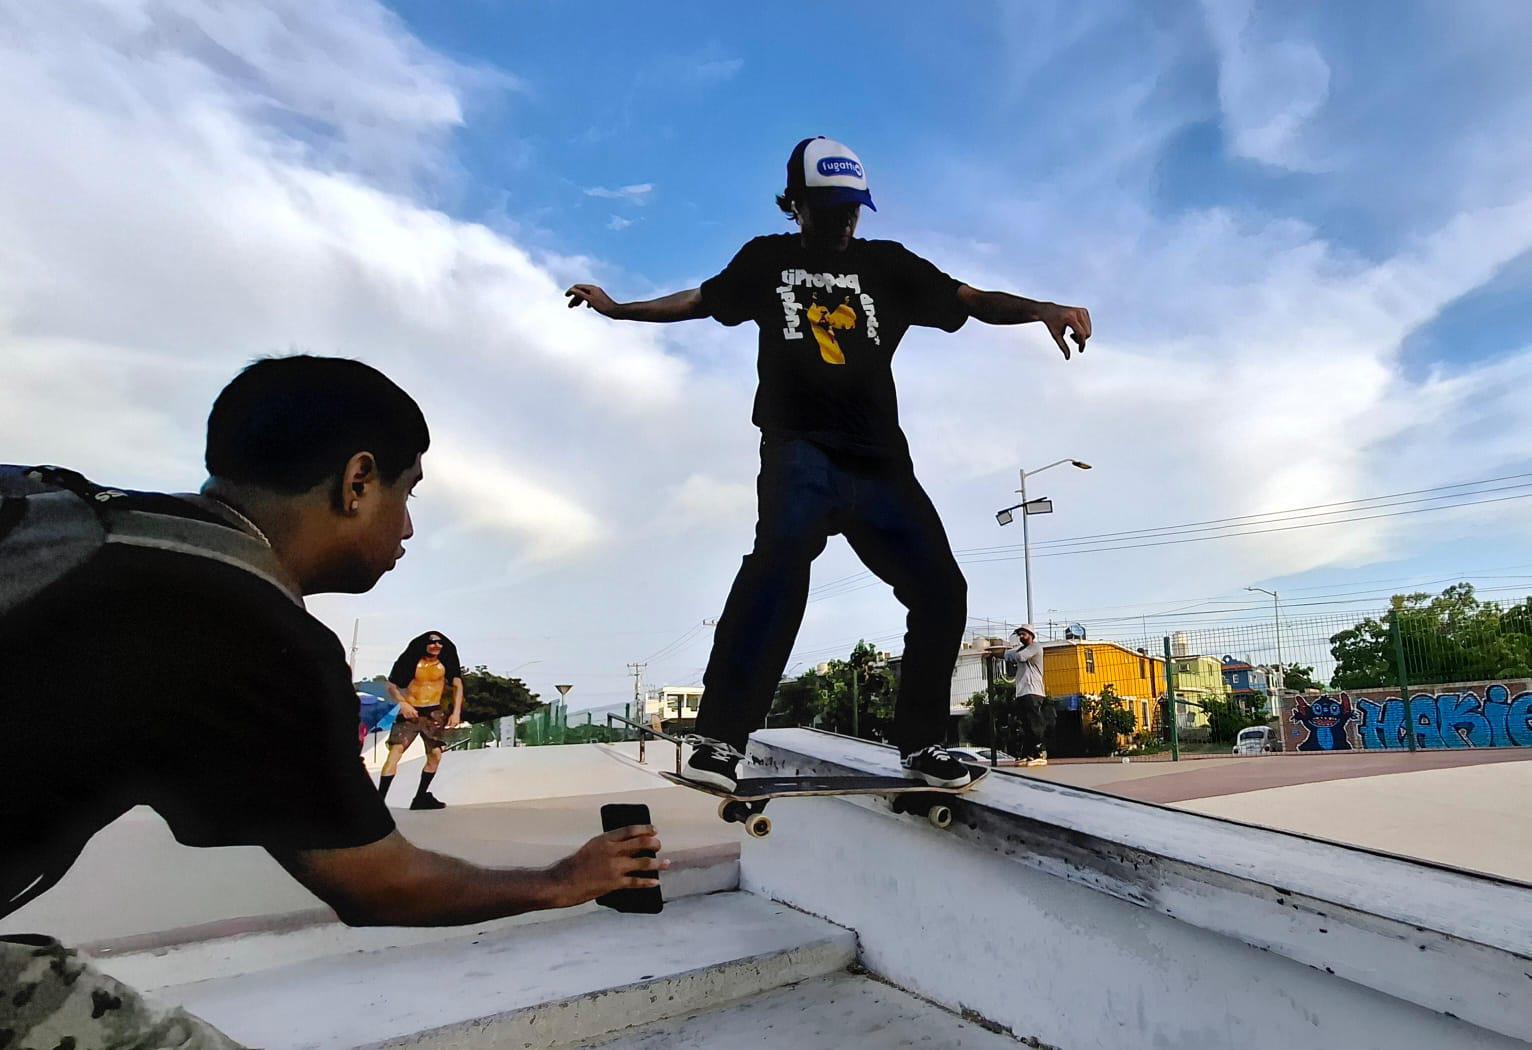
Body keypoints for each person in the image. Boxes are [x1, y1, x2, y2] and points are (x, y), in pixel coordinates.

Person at [0, 356, 665, 1047]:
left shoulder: (57, 506)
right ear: (358, 482)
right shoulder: (255, 628)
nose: (408, 529)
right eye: (409, 493)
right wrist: (563, 880)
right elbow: (379, 884)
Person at [566, 136, 1090, 791]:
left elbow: (970, 299)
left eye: (853, 210)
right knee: (779, 561)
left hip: (879, 464)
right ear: (796, 204)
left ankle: (923, 743)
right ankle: (721, 737)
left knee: (941, 589)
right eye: (831, 210)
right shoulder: (767, 260)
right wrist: (620, 310)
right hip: (800, 450)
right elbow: (699, 301)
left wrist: (1041, 309)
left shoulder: (888, 265)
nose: (845, 223)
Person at [378, 630, 464, 809]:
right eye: (432, 642)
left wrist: (456, 712)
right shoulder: (412, 662)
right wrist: (402, 703)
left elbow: (458, 685)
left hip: (433, 713)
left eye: (440, 642)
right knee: (395, 753)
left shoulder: (444, 665)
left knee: (435, 755)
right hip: (411, 712)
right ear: (424, 644)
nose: (436, 645)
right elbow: (391, 686)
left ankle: (420, 797)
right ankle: (378, 801)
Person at [1004, 624, 1052, 766]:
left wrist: (1010, 653)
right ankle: (1028, 754)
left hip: (1033, 691)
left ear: (1031, 635)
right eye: (1019, 634)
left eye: (1023, 634)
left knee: (1034, 723)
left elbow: (1020, 657)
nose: (1021, 637)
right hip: (1022, 692)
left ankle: (1039, 753)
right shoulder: (1020, 649)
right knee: (1026, 725)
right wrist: (996, 653)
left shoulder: (1035, 647)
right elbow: (1007, 655)